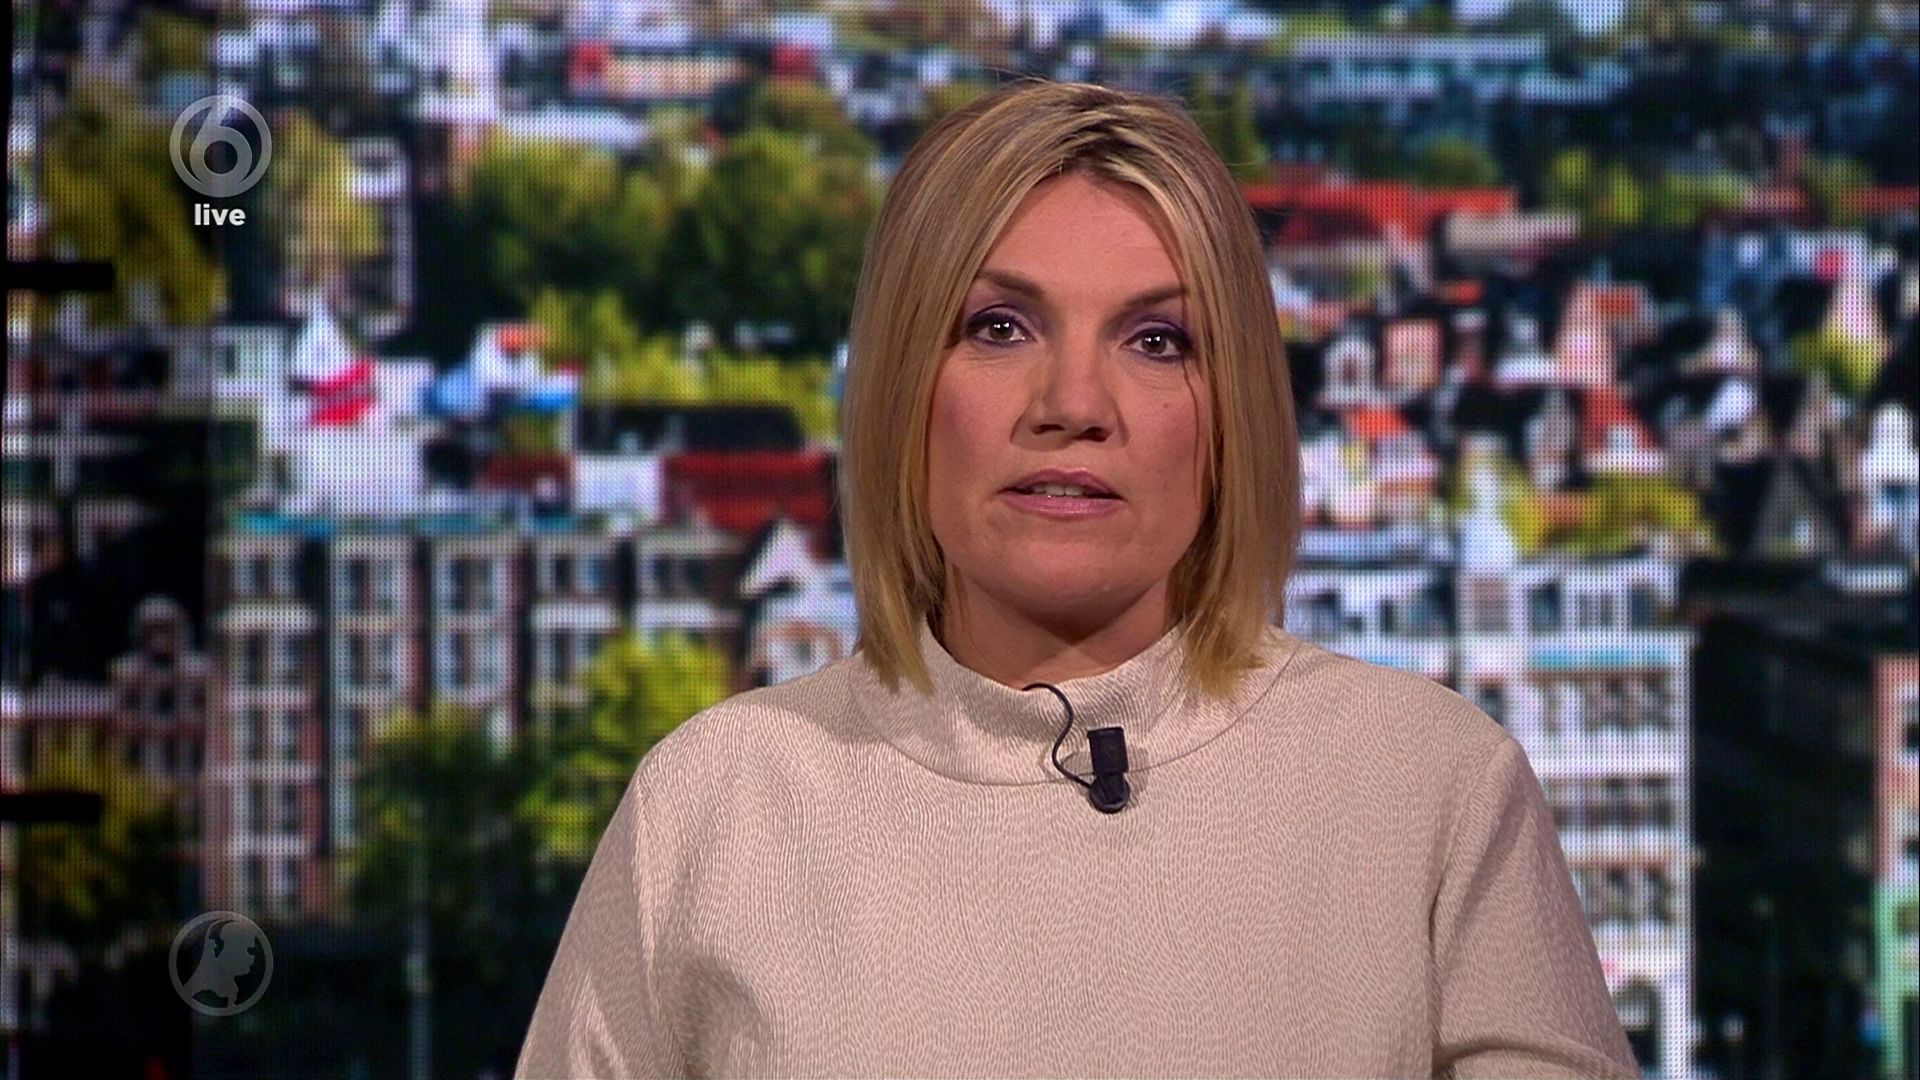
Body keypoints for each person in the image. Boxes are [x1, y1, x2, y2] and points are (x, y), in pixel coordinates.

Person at [515, 78, 1641, 1080]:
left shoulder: (1429, 789)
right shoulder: (714, 806)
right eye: (1000, 327)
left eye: (1157, 341)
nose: (1073, 404)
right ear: (905, 385)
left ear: (1232, 414)